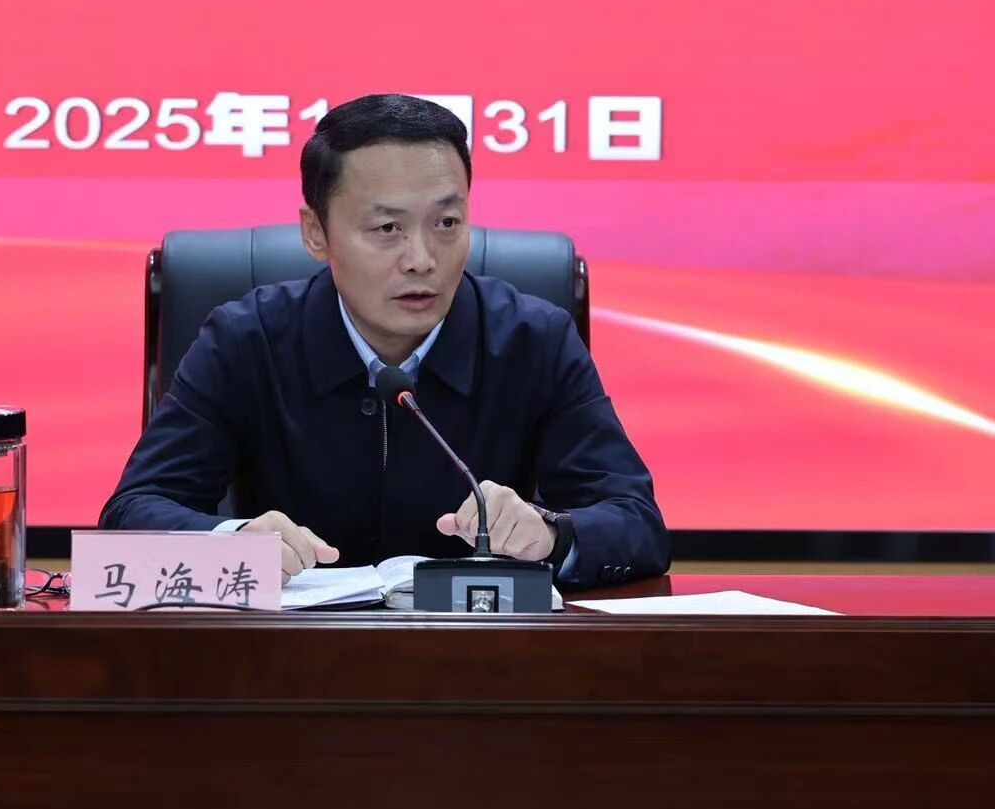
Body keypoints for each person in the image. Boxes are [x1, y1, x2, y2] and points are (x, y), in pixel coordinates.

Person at [99, 93, 669, 588]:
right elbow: (133, 514)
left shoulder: (533, 338)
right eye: (387, 228)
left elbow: (637, 524)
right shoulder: (246, 340)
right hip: (288, 658)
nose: (421, 260)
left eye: (447, 224)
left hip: (482, 655)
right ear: (316, 233)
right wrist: (234, 539)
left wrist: (551, 533)